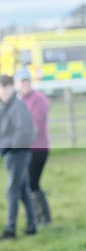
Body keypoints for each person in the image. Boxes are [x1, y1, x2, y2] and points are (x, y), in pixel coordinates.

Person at [0, 74, 37, 239]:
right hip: (11, 153)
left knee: (12, 191)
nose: (2, 91)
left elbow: (24, 132)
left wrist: (9, 147)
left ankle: (10, 229)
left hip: (18, 154)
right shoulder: (5, 107)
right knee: (22, 190)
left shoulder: (17, 106)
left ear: (11, 87)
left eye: (4, 87)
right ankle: (32, 225)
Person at [15, 68, 51, 225]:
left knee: (32, 183)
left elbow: (36, 127)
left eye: (27, 80)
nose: (25, 84)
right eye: (22, 81)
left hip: (38, 149)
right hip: (25, 149)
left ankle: (42, 217)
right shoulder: (18, 99)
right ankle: (40, 216)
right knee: (31, 183)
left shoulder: (38, 99)